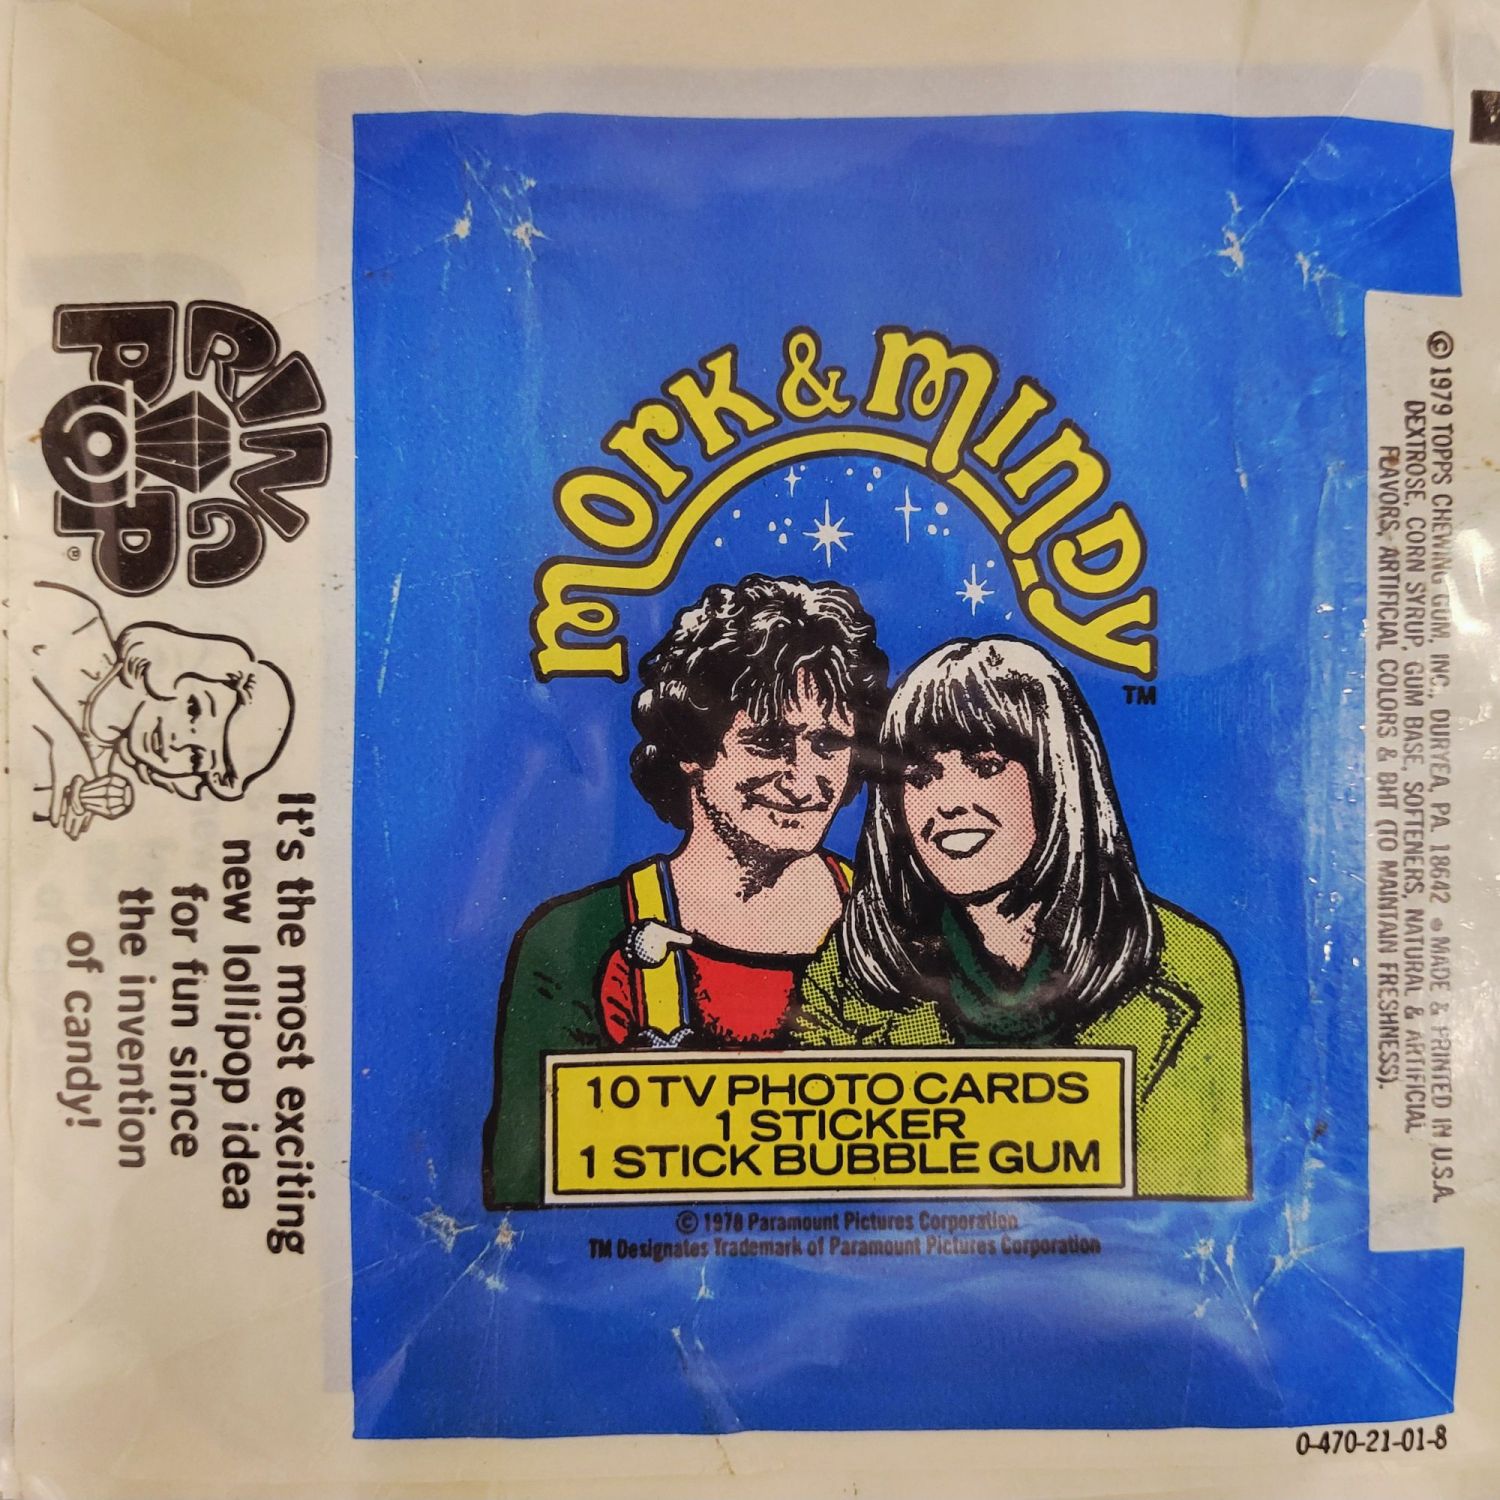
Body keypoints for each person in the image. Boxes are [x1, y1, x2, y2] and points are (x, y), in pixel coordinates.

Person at [482, 574, 888, 1210]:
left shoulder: (905, 927)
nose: (804, 779)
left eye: (828, 744)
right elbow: (528, 1202)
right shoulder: (573, 943)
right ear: (692, 750)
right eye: (769, 742)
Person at [793, 635, 1249, 1199]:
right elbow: (836, 1207)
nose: (949, 802)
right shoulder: (849, 972)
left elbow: (1190, 1214)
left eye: (985, 766)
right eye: (922, 776)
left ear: (1055, 779)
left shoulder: (1185, 969)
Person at [24, 580, 294, 838]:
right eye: (193, 710)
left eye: (196, 758)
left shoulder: (91, 778)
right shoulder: (76, 622)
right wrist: (60, 736)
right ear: (184, 667)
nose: (178, 742)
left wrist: (77, 800)